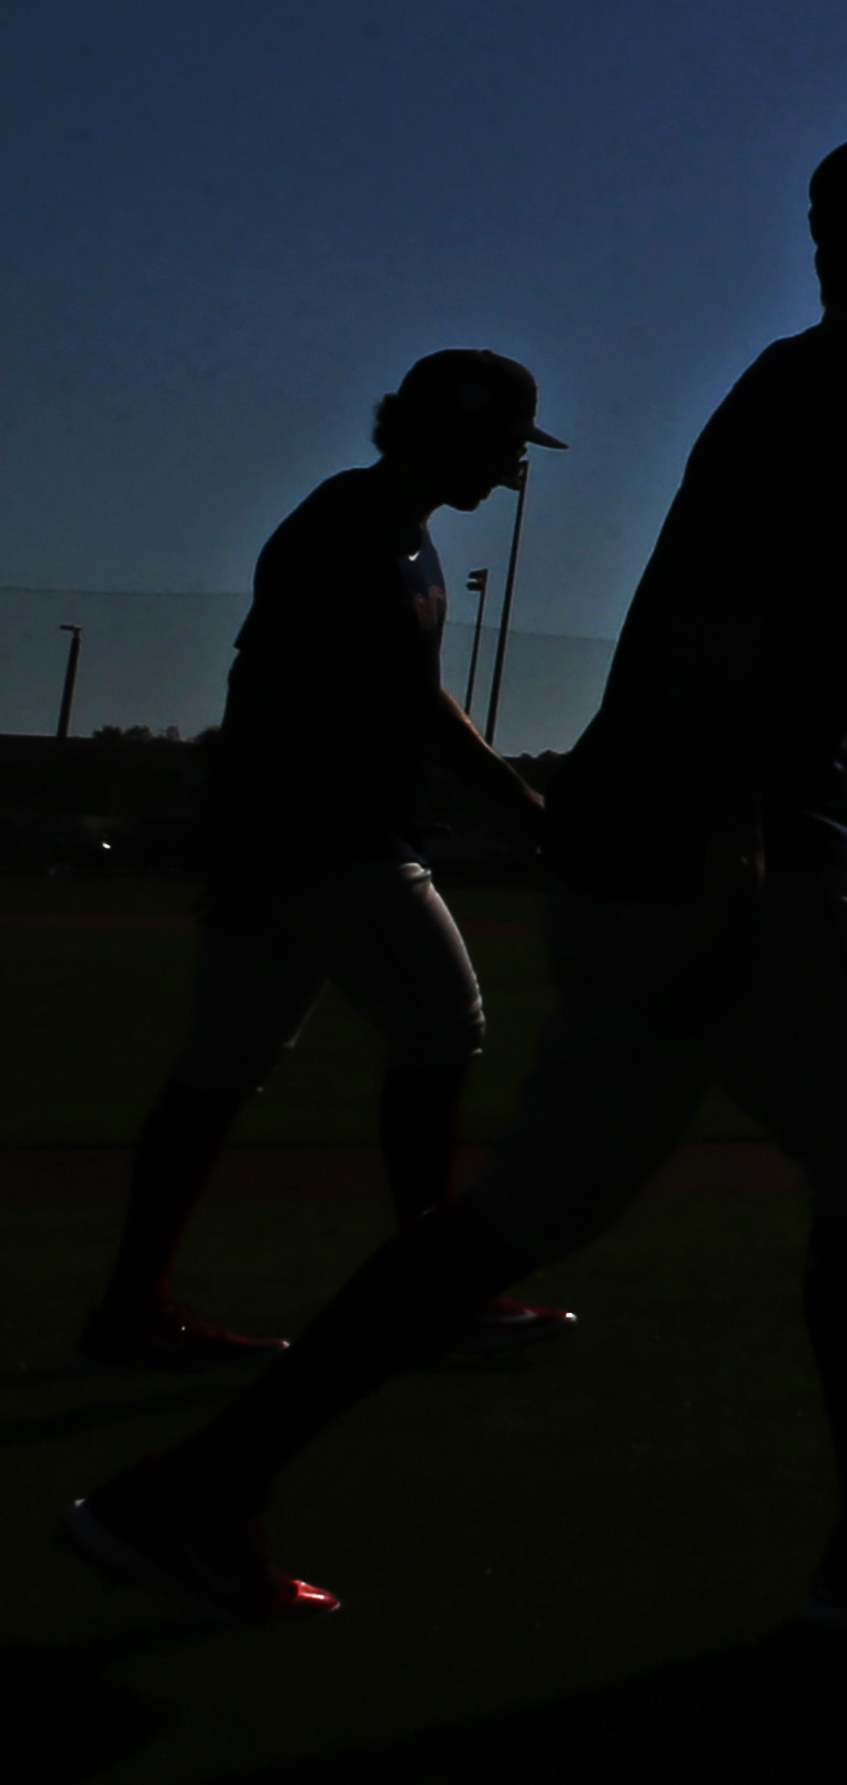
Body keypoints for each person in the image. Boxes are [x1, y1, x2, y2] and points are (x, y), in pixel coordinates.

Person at [63, 128, 847, 1628]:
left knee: (540, 1193)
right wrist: (731, 842)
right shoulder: (814, 396)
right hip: (726, 841)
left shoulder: (842, 404)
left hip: (662, 838)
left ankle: (187, 1493)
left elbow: (837, 638)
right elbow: (711, 616)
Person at [80, 352, 576, 1373]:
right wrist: (251, 838)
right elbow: (264, 687)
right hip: (330, 837)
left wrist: (519, 799)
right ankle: (431, 1298)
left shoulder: (407, 533)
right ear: (441, 428)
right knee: (443, 1025)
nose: (514, 466)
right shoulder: (347, 524)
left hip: (312, 836)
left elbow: (419, 699)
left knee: (221, 1065)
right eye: (503, 442)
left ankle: (129, 1311)